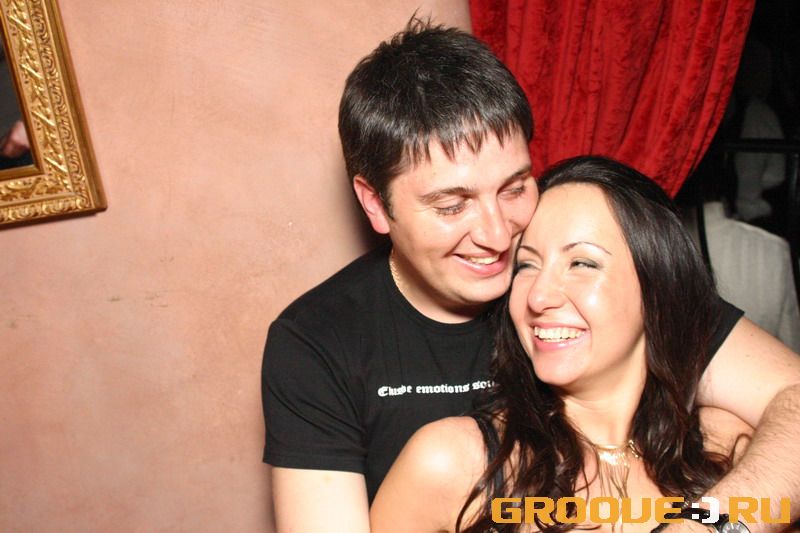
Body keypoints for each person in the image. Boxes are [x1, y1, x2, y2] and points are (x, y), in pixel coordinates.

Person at [261, 20, 800, 533]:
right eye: (452, 206)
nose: (499, 235)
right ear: (376, 203)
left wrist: (713, 521)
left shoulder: (589, 285)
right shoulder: (319, 342)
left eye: (515, 187)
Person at [369, 157, 776, 532]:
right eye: (527, 264)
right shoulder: (454, 463)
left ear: (657, 287)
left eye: (582, 263)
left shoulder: (726, 446)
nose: (539, 295)